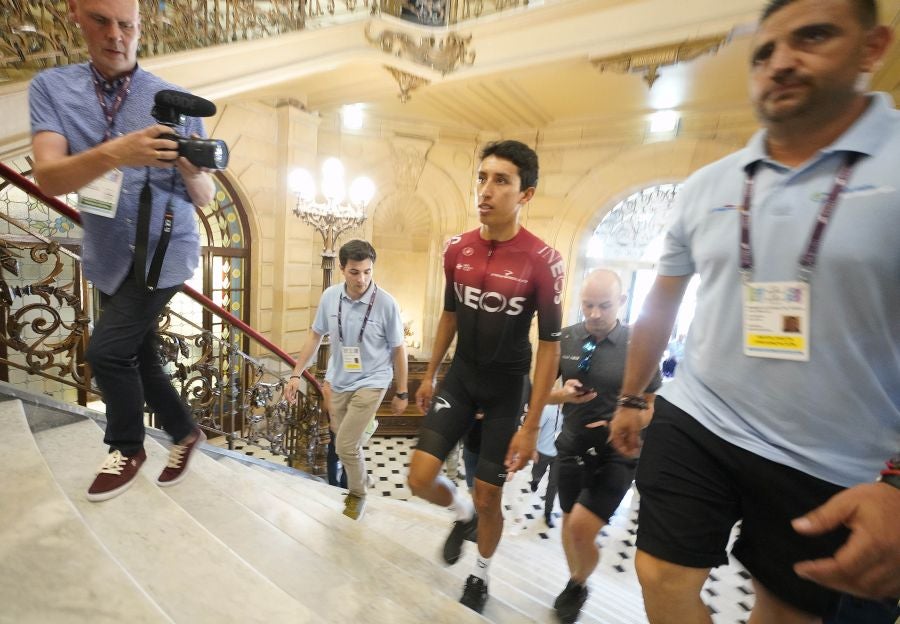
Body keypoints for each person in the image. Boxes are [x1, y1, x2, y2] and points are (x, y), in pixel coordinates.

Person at [609, 0, 900, 621]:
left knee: (786, 611)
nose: (781, 63)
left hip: (837, 454)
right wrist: (633, 395)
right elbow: (663, 298)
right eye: (764, 52)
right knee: (660, 572)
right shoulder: (709, 185)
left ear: (873, 48)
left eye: (814, 37)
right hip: (702, 415)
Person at [29, 0, 215, 502]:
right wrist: (119, 152)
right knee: (141, 355)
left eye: (127, 25)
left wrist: (190, 168)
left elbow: (205, 198)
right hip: (108, 254)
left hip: (164, 253)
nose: (116, 35)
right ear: (75, 15)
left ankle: (126, 446)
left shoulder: (171, 100)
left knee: (107, 353)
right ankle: (185, 432)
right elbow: (48, 177)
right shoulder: (53, 89)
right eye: (101, 21)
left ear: (140, 27)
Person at [407, 140, 564, 613]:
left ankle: (480, 574)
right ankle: (462, 514)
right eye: (482, 177)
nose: (487, 189)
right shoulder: (456, 248)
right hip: (462, 376)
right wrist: (430, 373)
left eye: (501, 181)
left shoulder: (543, 260)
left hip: (506, 386)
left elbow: (550, 346)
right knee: (418, 478)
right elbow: (449, 316)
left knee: (491, 494)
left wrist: (531, 424)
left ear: (525, 194)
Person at [548, 269, 660, 624]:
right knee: (569, 526)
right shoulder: (565, 338)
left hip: (618, 451)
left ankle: (580, 580)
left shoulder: (638, 343)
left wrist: (623, 422)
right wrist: (561, 395)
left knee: (582, 527)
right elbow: (540, 393)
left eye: (604, 305)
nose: (594, 313)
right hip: (572, 446)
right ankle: (577, 581)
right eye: (588, 304)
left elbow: (653, 405)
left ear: (623, 302)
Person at [286, 239, 408, 521]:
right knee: (342, 438)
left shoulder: (387, 304)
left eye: (367, 271)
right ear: (342, 269)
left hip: (373, 379)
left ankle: (358, 494)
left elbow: (399, 349)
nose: (362, 279)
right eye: (354, 272)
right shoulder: (330, 297)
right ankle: (363, 439)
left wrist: (402, 392)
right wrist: (295, 374)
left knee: (344, 446)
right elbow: (315, 336)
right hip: (339, 380)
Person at [529, 403, 562, 528]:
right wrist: (533, 449)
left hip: (560, 454)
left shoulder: (571, 413)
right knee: (537, 473)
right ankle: (535, 480)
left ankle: (548, 512)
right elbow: (537, 428)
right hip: (543, 450)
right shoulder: (548, 409)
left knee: (554, 483)